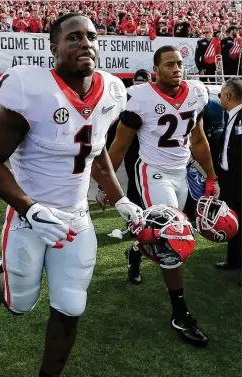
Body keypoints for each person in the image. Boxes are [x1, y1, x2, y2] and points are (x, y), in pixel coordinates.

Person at [0, 13, 143, 377]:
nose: (85, 43)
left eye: (92, 36)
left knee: (70, 306)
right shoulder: (31, 90)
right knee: (20, 305)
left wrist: (122, 200)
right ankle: (2, 273)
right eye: (74, 38)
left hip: (76, 218)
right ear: (54, 49)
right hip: (28, 217)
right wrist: (30, 208)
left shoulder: (112, 92)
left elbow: (96, 153)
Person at [98, 45, 220, 346]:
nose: (176, 69)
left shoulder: (196, 93)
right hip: (152, 172)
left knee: (160, 234)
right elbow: (120, 146)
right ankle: (179, 313)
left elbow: (199, 139)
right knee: (172, 238)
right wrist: (105, 185)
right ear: (156, 70)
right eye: (168, 65)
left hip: (181, 171)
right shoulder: (141, 98)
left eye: (179, 63)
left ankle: (136, 252)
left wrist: (212, 176)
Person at [105, 69, 152, 209]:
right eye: (138, 83)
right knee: (134, 181)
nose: (140, 87)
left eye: (143, 83)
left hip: (152, 149)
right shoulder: (127, 98)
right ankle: (136, 221)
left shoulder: (157, 97)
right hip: (132, 146)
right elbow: (115, 125)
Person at [216, 78, 242, 270]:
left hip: (239, 180)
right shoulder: (231, 115)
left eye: (220, 94)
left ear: (228, 95)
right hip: (230, 179)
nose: (219, 98)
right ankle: (234, 260)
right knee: (234, 222)